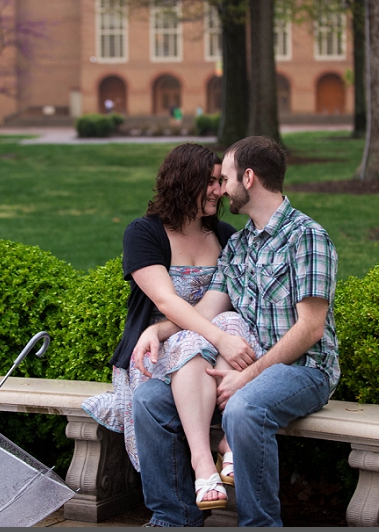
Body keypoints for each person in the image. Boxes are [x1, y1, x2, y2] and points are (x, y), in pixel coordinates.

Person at [132, 135, 339, 527]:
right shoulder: (239, 244)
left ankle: (259, 525)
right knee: (148, 401)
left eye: (224, 179)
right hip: (244, 364)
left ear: (248, 178)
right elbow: (208, 308)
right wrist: (159, 332)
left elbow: (310, 329)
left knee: (245, 408)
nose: (221, 190)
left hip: (304, 370)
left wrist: (248, 376)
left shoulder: (306, 237)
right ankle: (173, 519)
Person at [81, 142, 259, 510]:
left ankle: (227, 443)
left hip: (208, 357)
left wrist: (216, 336)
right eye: (211, 182)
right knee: (206, 338)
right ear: (185, 183)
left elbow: (223, 302)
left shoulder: (225, 236)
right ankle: (203, 463)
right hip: (154, 358)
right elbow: (166, 302)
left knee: (231, 320)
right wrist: (211, 339)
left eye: (220, 181)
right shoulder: (144, 233)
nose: (220, 190)